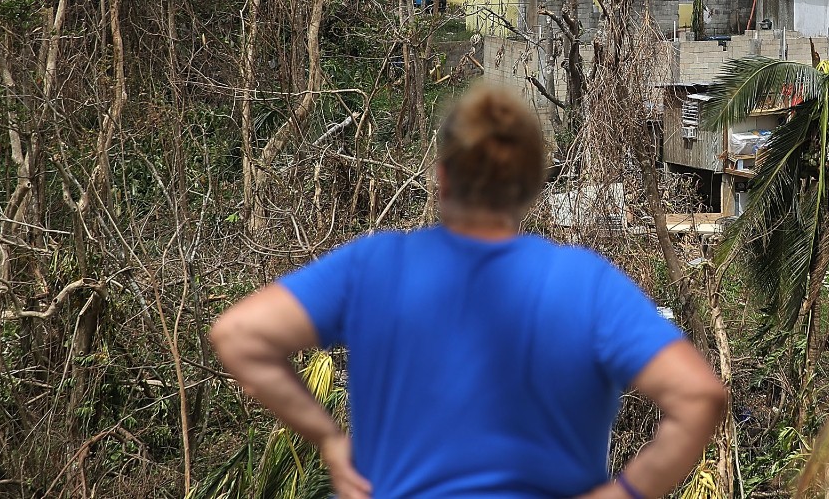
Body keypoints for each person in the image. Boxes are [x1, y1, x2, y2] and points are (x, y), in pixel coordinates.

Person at [211, 84, 727, 499]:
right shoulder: (586, 284)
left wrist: (328, 439)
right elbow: (700, 395)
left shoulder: (374, 268)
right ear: (530, 186)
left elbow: (239, 335)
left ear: (441, 178)